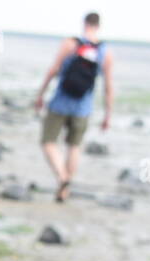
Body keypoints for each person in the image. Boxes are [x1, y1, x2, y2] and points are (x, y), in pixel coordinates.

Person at [34, 12, 114, 202]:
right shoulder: (105, 51)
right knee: (74, 146)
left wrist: (40, 94)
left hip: (60, 102)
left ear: (84, 23)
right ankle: (65, 189)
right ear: (98, 26)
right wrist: (107, 115)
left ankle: (62, 178)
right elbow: (108, 87)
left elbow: (53, 70)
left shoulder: (70, 44)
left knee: (48, 141)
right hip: (83, 107)